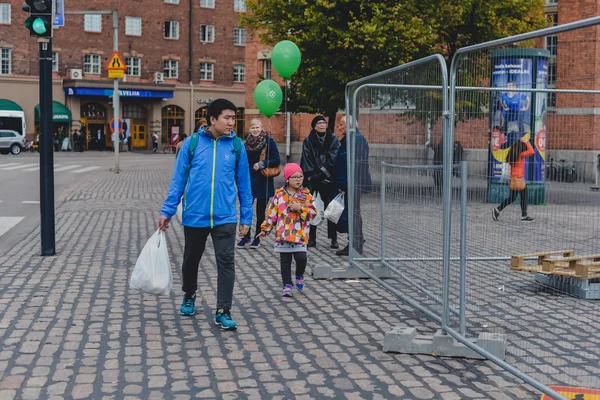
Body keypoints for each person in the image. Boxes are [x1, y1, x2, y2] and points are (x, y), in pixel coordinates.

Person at [157, 99, 253, 330]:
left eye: (234, 118)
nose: (232, 122)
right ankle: (189, 294)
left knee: (227, 262)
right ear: (213, 119)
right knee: (191, 260)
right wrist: (167, 211)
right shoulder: (192, 145)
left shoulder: (237, 147)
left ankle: (223, 310)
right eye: (227, 118)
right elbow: (178, 181)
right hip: (195, 216)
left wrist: (246, 218)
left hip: (225, 217)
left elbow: (244, 185)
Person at [257, 163, 317, 296]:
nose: (298, 180)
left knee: (301, 258)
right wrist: (265, 229)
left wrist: (300, 208)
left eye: (300, 177)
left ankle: (299, 275)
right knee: (285, 262)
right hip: (283, 235)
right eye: (294, 177)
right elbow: (271, 214)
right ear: (287, 179)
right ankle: (287, 285)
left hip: (299, 235)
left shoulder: (306, 195)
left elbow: (313, 213)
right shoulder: (279, 196)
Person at [237, 119, 281, 249]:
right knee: (247, 209)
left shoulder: (269, 142)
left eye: (257, 127)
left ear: (262, 128)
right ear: (249, 129)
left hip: (263, 181)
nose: (255, 130)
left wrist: (262, 163)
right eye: (253, 128)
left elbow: (276, 159)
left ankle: (257, 237)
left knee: (261, 211)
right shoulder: (246, 144)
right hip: (249, 181)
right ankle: (245, 236)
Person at [300, 115, 341, 248]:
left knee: (332, 209)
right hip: (314, 179)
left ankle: (334, 238)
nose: (322, 125)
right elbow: (306, 158)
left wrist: (323, 173)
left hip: (329, 179)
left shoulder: (333, 139)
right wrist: (312, 175)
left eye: (324, 122)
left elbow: (334, 157)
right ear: (314, 126)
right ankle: (312, 238)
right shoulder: (308, 140)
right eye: (319, 123)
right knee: (313, 207)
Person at [333, 115, 371, 256]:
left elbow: (348, 165)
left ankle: (356, 243)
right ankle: (355, 242)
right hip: (352, 182)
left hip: (353, 183)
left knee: (353, 213)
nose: (339, 127)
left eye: (341, 124)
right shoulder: (353, 138)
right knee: (352, 213)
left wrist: (343, 184)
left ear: (348, 125)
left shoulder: (354, 139)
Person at [492, 137, 535, 222]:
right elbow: (532, 151)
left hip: (513, 179)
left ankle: (498, 210)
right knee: (523, 196)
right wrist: (526, 142)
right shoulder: (521, 155)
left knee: (513, 198)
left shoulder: (513, 154)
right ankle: (523, 215)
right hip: (519, 179)